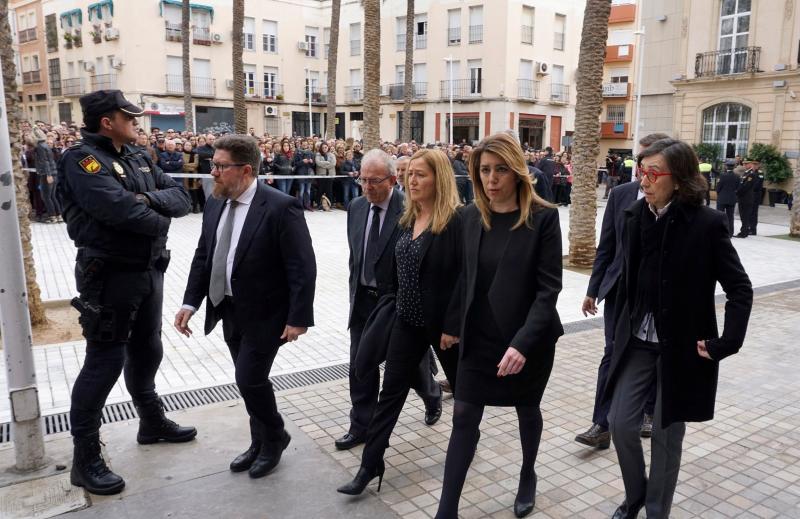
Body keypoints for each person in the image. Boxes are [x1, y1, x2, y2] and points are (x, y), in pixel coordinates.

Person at [57, 90, 195, 496]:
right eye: (130, 117)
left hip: (148, 269)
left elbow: (181, 198)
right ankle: (85, 459)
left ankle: (150, 421)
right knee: (104, 362)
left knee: (148, 349)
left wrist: (144, 199)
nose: (138, 123)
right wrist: (152, 213)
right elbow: (123, 213)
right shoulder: (82, 160)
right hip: (109, 275)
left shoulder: (136, 155)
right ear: (107, 121)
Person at [605, 139, 752, 519]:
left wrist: (727, 342)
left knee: (667, 437)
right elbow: (627, 276)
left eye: (653, 173)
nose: (644, 180)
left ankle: (657, 509)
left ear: (679, 178)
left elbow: (739, 288)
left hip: (683, 346)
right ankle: (635, 495)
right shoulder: (635, 216)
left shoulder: (707, 224)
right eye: (642, 172)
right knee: (620, 423)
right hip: (638, 339)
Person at [435, 133, 563, 518]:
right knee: (463, 415)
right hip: (480, 337)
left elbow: (548, 291)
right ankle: (447, 510)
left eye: (500, 169)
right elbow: (465, 277)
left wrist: (522, 344)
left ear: (517, 172)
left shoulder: (544, 217)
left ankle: (527, 475)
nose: (491, 179)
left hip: (528, 338)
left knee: (527, 409)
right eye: (485, 170)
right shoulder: (469, 216)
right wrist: (451, 324)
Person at [175, 134, 316, 479]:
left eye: (221, 166)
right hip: (228, 309)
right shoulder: (215, 202)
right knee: (247, 381)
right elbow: (204, 255)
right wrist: (190, 302)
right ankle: (260, 441)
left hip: (269, 313)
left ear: (246, 170)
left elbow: (302, 265)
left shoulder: (281, 206)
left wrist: (299, 318)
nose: (213, 173)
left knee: (249, 378)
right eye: (213, 165)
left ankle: (275, 438)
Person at [337, 149, 462, 496]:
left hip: (444, 330)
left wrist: (453, 326)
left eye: (421, 175)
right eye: (411, 175)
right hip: (406, 322)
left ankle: (466, 442)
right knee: (389, 394)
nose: (413, 180)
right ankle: (369, 465)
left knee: (465, 398)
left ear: (440, 179)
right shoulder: (408, 217)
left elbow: (465, 279)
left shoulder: (456, 221)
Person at [575, 133, 670, 450]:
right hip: (619, 292)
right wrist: (593, 288)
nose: (643, 172)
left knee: (653, 354)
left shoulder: (680, 201)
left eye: (652, 165)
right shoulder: (621, 195)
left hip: (657, 296)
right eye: (641, 162)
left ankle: (647, 411)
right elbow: (607, 246)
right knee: (612, 355)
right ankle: (601, 425)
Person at [31, 128, 62, 223]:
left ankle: (52, 216)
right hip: (53, 172)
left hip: (47, 174)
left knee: (46, 197)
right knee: (52, 196)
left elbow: (45, 162)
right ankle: (58, 215)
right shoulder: (45, 145)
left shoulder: (40, 146)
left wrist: (48, 175)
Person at [715, 158, 740, 237]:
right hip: (732, 199)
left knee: (719, 216)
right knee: (730, 217)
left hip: (722, 198)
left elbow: (718, 188)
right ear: (734, 167)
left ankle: (719, 232)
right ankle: (730, 233)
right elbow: (738, 188)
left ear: (726, 166)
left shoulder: (722, 175)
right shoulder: (737, 176)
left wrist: (719, 194)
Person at [735, 160, 757, 238]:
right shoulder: (746, 173)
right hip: (742, 198)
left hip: (746, 198)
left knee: (745, 216)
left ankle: (744, 232)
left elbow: (746, 186)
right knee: (743, 216)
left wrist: (737, 192)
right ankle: (744, 231)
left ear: (751, 164)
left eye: (746, 163)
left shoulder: (751, 174)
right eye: (744, 163)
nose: (744, 165)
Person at [315, 141, 336, 211]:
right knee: (320, 190)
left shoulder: (332, 155)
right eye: (323, 147)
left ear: (328, 147)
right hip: (321, 175)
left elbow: (333, 163)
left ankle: (330, 204)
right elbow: (318, 163)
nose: (324, 148)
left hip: (330, 175)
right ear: (321, 148)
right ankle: (319, 204)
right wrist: (327, 163)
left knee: (329, 190)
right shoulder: (318, 154)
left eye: (326, 147)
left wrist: (324, 164)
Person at [746, 158, 764, 235]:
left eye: (756, 164)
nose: (754, 166)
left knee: (753, 212)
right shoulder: (749, 172)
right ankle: (748, 227)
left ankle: (753, 229)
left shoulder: (760, 173)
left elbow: (757, 184)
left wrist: (749, 188)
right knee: (748, 212)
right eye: (753, 164)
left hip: (755, 195)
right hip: (749, 195)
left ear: (759, 165)